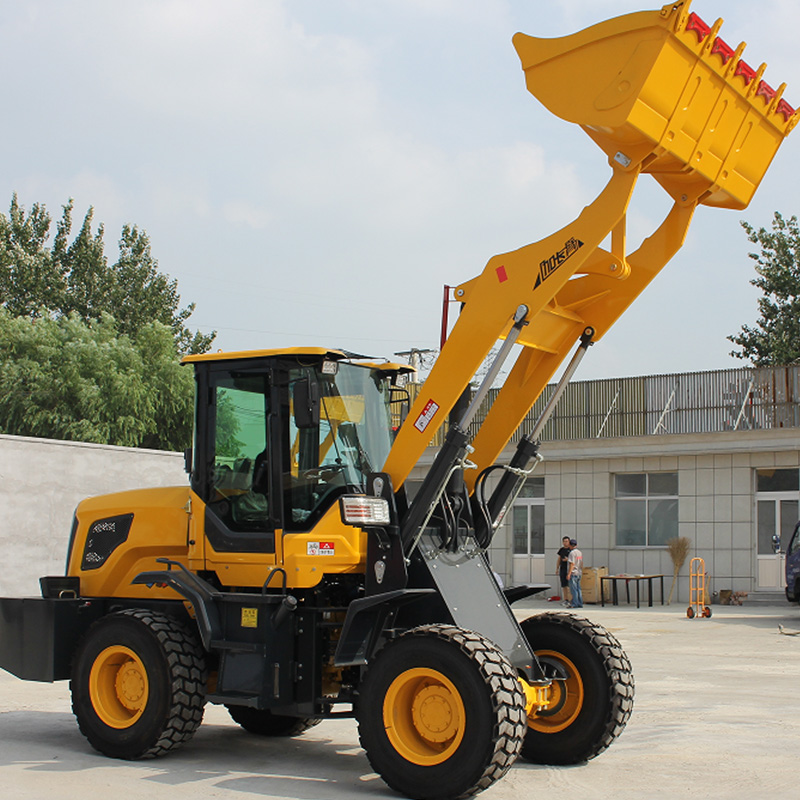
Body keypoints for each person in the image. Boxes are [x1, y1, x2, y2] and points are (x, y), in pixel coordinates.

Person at [566, 538, 583, 608]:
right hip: (579, 572)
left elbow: (572, 564)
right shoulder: (579, 552)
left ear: (570, 545)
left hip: (573, 573)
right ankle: (580, 603)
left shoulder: (572, 553)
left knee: (573, 589)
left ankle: (574, 603)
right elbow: (581, 563)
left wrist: (569, 574)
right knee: (578, 589)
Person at [556, 536, 572, 604]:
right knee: (564, 585)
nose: (565, 543)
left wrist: (567, 560)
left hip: (569, 569)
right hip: (562, 569)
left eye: (567, 541)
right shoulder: (561, 550)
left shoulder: (571, 550)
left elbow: (574, 560)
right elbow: (559, 559)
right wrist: (557, 568)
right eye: (564, 541)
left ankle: (571, 599)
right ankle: (565, 599)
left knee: (569, 585)